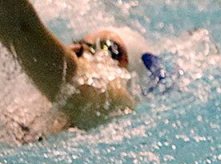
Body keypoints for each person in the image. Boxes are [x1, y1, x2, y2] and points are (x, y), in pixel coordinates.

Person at [0, 0, 165, 134]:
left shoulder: (108, 100)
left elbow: (18, 23)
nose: (76, 51)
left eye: (109, 48)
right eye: (79, 44)